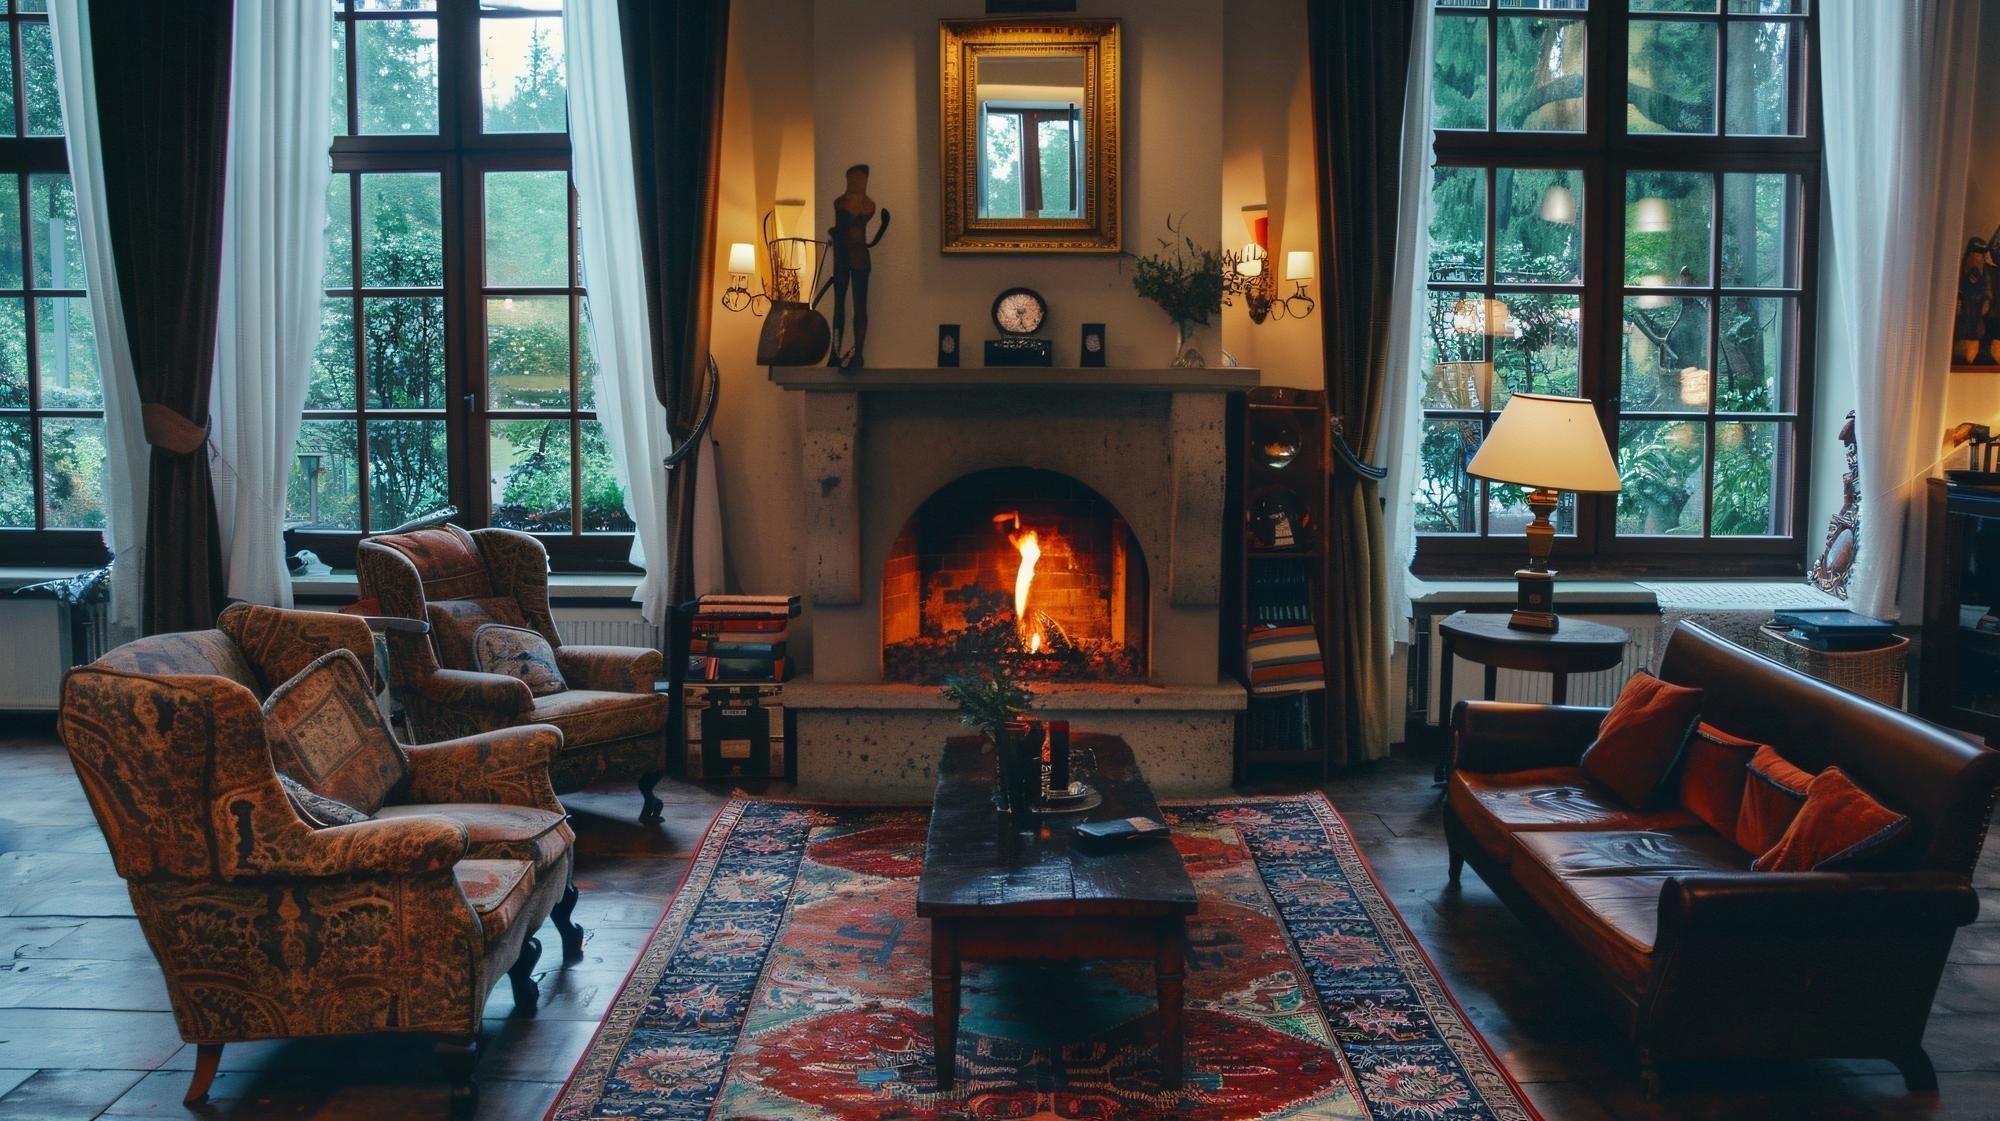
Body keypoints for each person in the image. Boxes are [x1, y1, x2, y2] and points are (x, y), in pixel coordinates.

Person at [818, 163, 891, 370]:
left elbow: (869, 231)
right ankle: (835, 351)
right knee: (839, 307)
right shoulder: (840, 202)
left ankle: (858, 354)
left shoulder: (868, 205)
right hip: (842, 257)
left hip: (859, 257)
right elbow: (841, 228)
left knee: (859, 306)